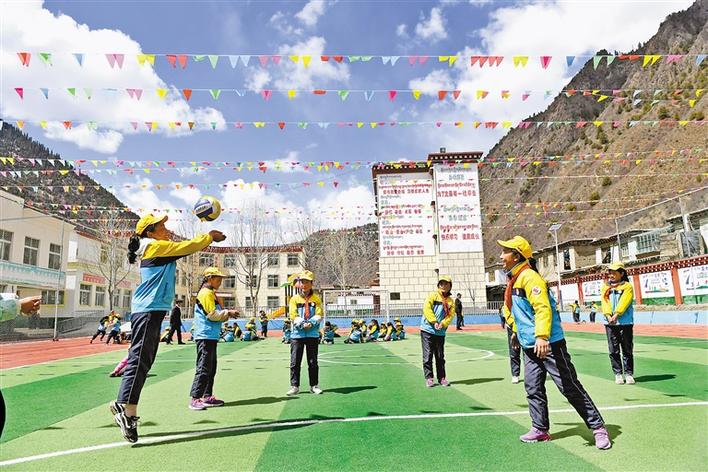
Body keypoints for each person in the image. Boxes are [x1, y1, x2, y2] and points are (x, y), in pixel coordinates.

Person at [109, 213, 226, 443]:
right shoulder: (154, 247)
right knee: (139, 359)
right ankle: (126, 410)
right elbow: (186, 247)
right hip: (147, 311)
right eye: (162, 226)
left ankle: (126, 407)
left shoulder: (153, 247)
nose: (167, 229)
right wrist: (209, 237)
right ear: (150, 231)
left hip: (151, 311)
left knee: (143, 359)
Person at [498, 236, 610, 449]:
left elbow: (542, 308)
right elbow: (518, 311)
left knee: (568, 386)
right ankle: (540, 428)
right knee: (533, 387)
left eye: (505, 251)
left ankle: (598, 428)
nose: (501, 256)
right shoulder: (515, 279)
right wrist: (516, 332)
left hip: (549, 344)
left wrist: (542, 336)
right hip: (529, 345)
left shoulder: (530, 278)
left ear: (517, 256)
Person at [189, 267, 240, 410]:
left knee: (211, 368)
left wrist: (225, 313)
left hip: (210, 335)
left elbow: (217, 314)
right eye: (218, 279)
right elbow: (211, 315)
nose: (220, 282)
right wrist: (228, 312)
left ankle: (207, 396)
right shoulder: (205, 293)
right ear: (209, 278)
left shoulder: (211, 293)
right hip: (205, 335)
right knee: (204, 367)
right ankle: (195, 398)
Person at [287, 270, 323, 396]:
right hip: (297, 335)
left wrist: (311, 323)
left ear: (311, 283)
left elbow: (319, 314)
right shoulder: (294, 299)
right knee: (295, 362)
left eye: (307, 282)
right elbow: (293, 314)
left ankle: (314, 386)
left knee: (313, 362)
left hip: (312, 334)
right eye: (302, 282)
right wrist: (302, 324)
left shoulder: (316, 299)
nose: (304, 284)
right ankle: (294, 386)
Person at [601, 262, 635, 385]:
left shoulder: (627, 287)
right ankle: (618, 374)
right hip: (610, 323)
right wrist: (608, 315)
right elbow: (604, 302)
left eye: (614, 272)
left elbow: (624, 302)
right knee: (613, 350)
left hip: (625, 323)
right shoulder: (605, 287)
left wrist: (616, 315)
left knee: (627, 349)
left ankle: (629, 374)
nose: (611, 275)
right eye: (609, 272)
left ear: (621, 273)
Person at [421, 275, 456, 387]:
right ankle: (429, 378)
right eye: (441, 283)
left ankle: (442, 378)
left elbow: (450, 315)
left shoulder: (451, 301)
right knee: (428, 355)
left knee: (440, 356)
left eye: (446, 284)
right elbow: (426, 308)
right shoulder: (433, 295)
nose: (443, 286)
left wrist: (443, 324)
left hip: (440, 332)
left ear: (450, 286)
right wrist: (434, 321)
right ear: (438, 285)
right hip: (427, 329)